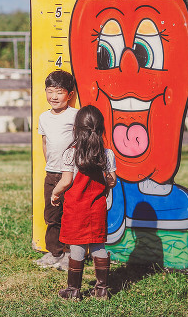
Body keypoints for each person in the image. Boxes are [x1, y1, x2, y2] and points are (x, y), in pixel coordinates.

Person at [51, 105, 117, 300]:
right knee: (99, 246)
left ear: (76, 129)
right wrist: (106, 182)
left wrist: (55, 193)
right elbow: (112, 180)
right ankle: (102, 289)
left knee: (77, 247)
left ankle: (73, 290)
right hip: (97, 208)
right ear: (101, 128)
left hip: (75, 209)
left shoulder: (71, 154)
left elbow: (66, 181)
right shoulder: (106, 154)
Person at [35, 69, 77, 270]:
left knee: (70, 215)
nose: (54, 96)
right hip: (51, 173)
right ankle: (55, 253)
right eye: (50, 91)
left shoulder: (75, 115)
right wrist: (50, 165)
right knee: (52, 215)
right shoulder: (43, 118)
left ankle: (71, 254)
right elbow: (45, 143)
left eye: (59, 92)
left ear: (70, 94)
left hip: (71, 174)